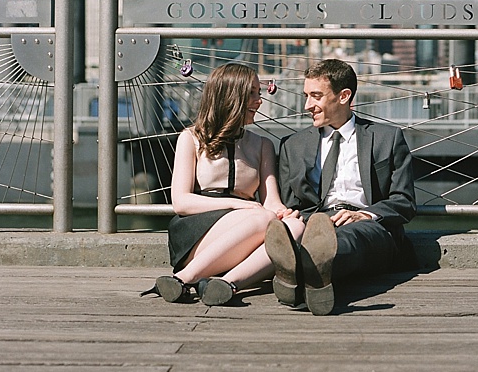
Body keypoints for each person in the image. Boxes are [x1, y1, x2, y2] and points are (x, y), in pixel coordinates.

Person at [144, 63, 304, 306]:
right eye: (251, 93)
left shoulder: (263, 145)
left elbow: (271, 200)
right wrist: (241, 205)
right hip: (197, 230)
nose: (259, 101)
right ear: (230, 95)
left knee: (295, 227)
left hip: (247, 226)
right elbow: (180, 202)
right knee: (263, 219)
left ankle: (226, 283)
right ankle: (184, 277)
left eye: (259, 93)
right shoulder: (190, 138)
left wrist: (284, 212)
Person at [266, 58, 416, 315]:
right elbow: (292, 204)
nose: (307, 106)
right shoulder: (292, 145)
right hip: (313, 222)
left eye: (316, 96)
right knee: (308, 232)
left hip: (369, 226)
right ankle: (313, 276)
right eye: (306, 96)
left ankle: (298, 272)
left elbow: (404, 201)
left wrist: (364, 214)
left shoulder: (387, 138)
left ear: (344, 96)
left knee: (348, 236)